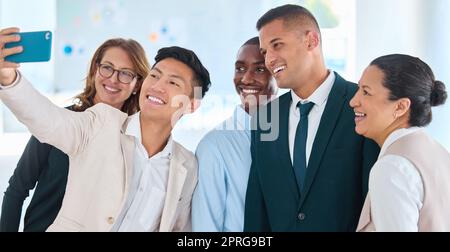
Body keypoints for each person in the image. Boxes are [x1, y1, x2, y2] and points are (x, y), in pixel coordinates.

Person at [0, 27, 211, 232]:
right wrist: (9, 79)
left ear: (192, 104)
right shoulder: (100, 122)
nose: (157, 86)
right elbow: (46, 119)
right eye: (154, 76)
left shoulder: (187, 166)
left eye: (173, 82)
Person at [244, 5, 380, 232]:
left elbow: (373, 201)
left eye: (277, 45)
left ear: (311, 41)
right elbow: (258, 209)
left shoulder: (360, 105)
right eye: (265, 51)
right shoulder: (265, 117)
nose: (269, 59)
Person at [0, 37, 150, 232]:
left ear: (137, 84)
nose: (113, 79)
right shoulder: (59, 122)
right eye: (107, 67)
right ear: (95, 69)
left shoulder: (134, 140)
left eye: (126, 74)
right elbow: (17, 189)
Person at [350, 54, 450, 232]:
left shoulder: (392, 167)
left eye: (366, 92)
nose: (353, 101)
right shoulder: (439, 153)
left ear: (401, 107)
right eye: (358, 89)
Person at [192, 37, 277, 232]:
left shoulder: (295, 135)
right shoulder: (214, 146)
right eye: (239, 69)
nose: (246, 79)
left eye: (259, 69)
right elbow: (206, 227)